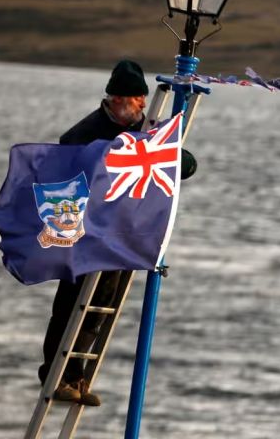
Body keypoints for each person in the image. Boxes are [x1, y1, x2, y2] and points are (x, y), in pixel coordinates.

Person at [38, 60, 196, 406]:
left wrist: (180, 161)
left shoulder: (145, 129)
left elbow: (172, 164)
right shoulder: (84, 134)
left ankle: (77, 375)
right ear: (118, 99)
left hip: (124, 235)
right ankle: (56, 371)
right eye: (137, 99)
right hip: (86, 235)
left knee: (103, 303)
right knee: (71, 303)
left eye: (143, 99)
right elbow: (63, 181)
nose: (142, 105)